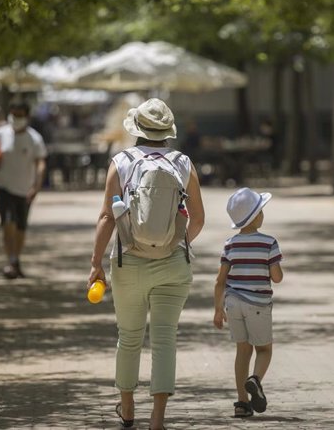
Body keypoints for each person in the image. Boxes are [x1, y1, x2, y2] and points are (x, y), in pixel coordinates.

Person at [88, 98, 205, 430]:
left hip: (130, 262)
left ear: (136, 130)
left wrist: (96, 263)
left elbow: (106, 218)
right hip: (173, 265)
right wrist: (174, 243)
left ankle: (127, 409)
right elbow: (197, 219)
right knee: (165, 338)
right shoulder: (183, 163)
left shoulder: (121, 162)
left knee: (129, 337)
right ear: (167, 132)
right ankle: (157, 419)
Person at [213, 187, 284, 418]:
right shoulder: (269, 243)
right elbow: (276, 277)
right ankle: (255, 379)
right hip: (258, 304)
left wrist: (217, 310)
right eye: (261, 210)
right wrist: (277, 268)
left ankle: (242, 404)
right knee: (263, 349)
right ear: (256, 216)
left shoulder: (230, 244)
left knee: (242, 351)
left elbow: (220, 280)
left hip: (232, 303)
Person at [0, 102, 47, 279]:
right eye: (13, 114)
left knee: (20, 227)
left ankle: (16, 259)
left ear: (26, 116)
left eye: (19, 115)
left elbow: (40, 163)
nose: (15, 118)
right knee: (8, 222)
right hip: (3, 186)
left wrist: (36, 186)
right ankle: (10, 260)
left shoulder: (34, 138)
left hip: (24, 189)